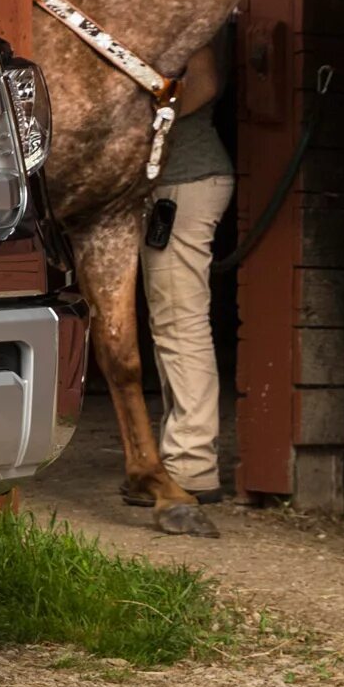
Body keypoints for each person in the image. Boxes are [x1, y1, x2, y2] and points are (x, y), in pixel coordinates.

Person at [137, 32, 232, 502]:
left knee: (180, 323)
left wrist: (143, 127)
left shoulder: (191, 9)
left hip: (184, 180)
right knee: (173, 324)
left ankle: (192, 465)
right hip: (183, 182)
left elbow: (206, 82)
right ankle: (183, 455)